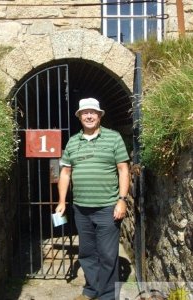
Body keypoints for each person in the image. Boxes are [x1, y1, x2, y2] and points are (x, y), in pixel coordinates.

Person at [55, 98, 130, 300]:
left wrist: (122, 200)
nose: (89, 116)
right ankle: (91, 289)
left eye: (93, 112)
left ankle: (106, 295)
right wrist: (62, 201)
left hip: (108, 207)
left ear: (99, 116)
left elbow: (123, 170)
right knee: (87, 253)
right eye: (84, 113)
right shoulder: (72, 141)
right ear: (79, 117)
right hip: (81, 208)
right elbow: (65, 173)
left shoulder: (113, 138)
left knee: (107, 254)